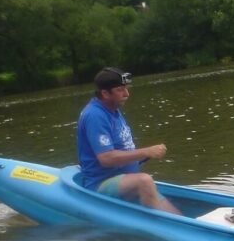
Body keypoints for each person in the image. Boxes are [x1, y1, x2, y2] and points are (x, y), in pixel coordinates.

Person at [76, 67, 181, 215]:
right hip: (101, 183)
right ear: (105, 93)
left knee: (178, 215)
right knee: (144, 181)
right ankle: (154, 224)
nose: (127, 94)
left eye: (126, 88)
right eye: (120, 90)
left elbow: (123, 149)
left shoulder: (112, 109)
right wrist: (146, 151)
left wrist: (144, 156)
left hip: (124, 180)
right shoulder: (95, 116)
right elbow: (106, 158)